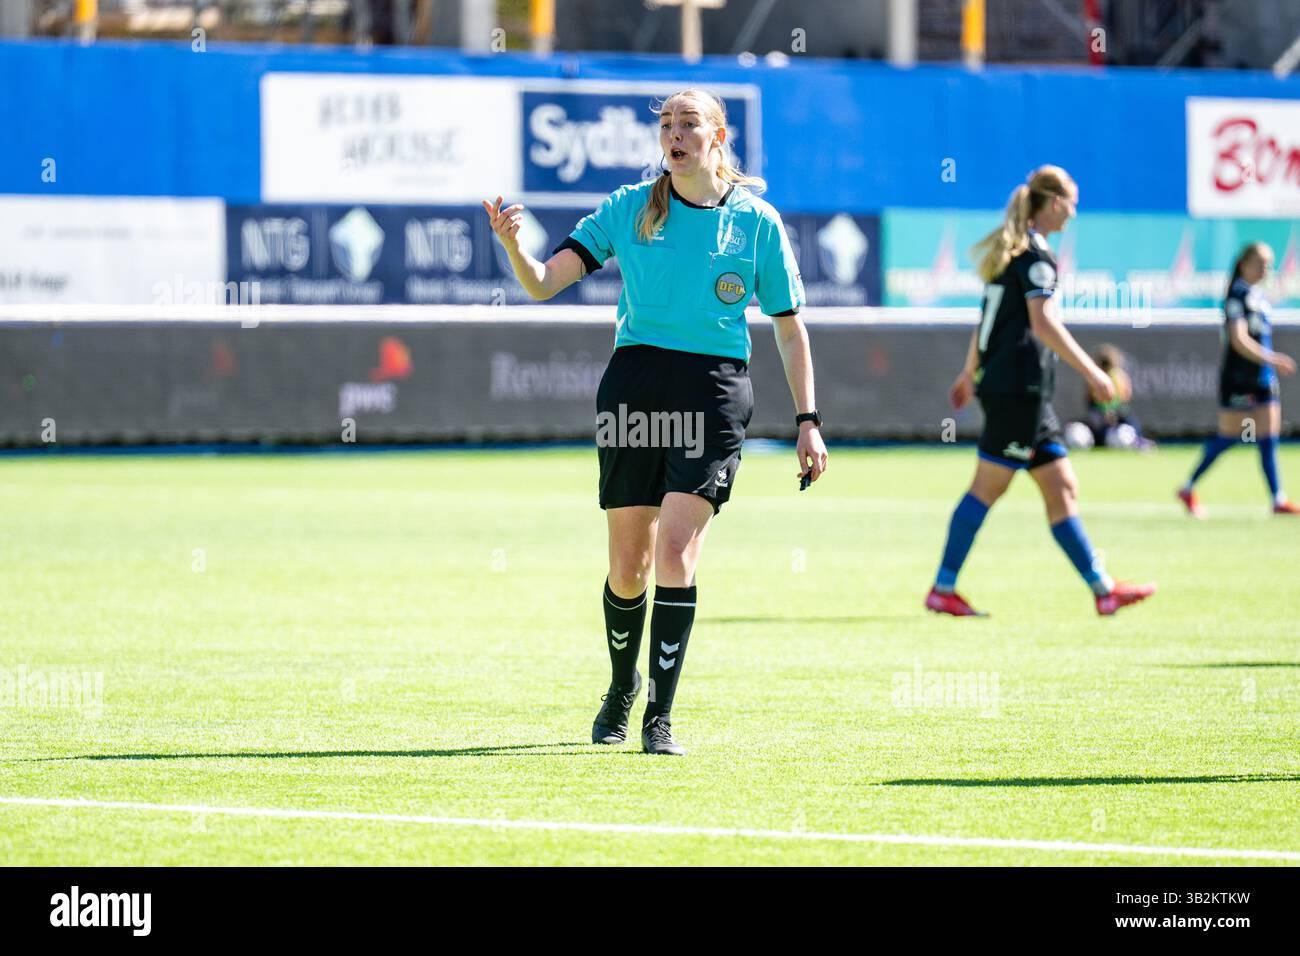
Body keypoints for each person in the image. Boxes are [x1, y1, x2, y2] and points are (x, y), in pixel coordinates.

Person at [483, 89, 828, 755]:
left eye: (688, 123)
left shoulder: (756, 223)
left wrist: (808, 420)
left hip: (713, 391)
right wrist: (513, 247)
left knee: (675, 549)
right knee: (628, 565)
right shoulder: (628, 207)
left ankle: (659, 717)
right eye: (666, 124)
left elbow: (789, 330)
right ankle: (621, 688)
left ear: (717, 136)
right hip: (635, 388)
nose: (674, 133)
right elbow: (543, 282)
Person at [924, 165, 1156, 617]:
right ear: (1053, 203)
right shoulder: (1034, 256)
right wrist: (1093, 371)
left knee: (1062, 485)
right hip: (1018, 392)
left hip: (1024, 394)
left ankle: (1103, 589)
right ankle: (943, 588)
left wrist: (969, 372)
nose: (1074, 212)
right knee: (987, 489)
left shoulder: (1016, 251)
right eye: (1071, 202)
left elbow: (990, 320)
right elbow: (1041, 322)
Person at [1177, 242, 1298, 517]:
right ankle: (1188, 486)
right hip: (1240, 379)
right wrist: (1273, 358)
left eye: (1269, 264)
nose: (1265, 269)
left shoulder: (1257, 295)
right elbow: (1239, 339)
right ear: (1244, 263)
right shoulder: (1237, 295)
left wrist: (1269, 365)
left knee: (1268, 438)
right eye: (1261, 263)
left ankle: (1278, 498)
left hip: (1263, 378)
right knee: (1232, 436)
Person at [1083, 344, 1153, 449]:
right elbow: (1089, 398)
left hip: (1118, 410)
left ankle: (1138, 440)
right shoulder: (1094, 377)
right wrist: (1103, 412)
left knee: (1130, 422)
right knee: (1098, 427)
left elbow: (1126, 396)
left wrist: (1114, 412)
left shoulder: (1120, 376)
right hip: (1099, 411)